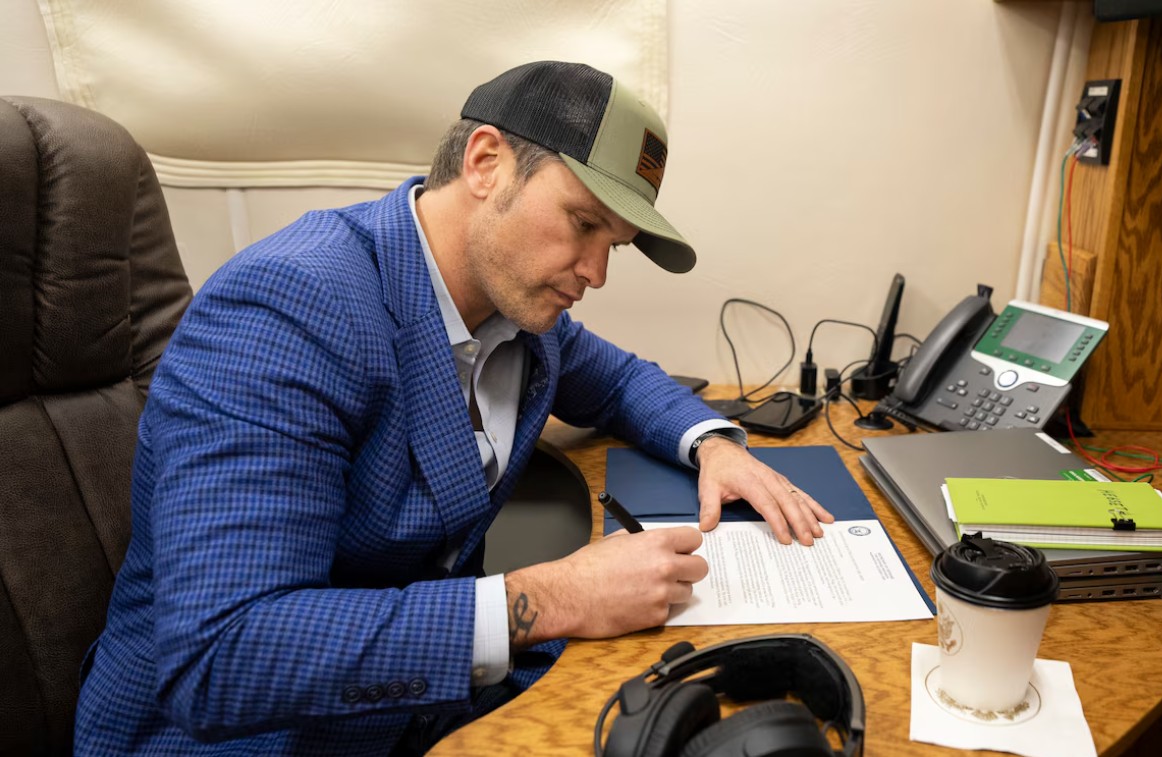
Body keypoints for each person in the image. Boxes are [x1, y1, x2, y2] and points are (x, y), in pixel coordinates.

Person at [74, 61, 834, 755]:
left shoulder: (517, 306)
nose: (596, 271)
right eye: (582, 222)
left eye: (617, 242)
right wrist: (555, 595)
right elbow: (220, 657)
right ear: (484, 162)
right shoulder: (287, 307)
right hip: (245, 734)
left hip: (419, 700)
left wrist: (714, 444)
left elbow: (620, 381)